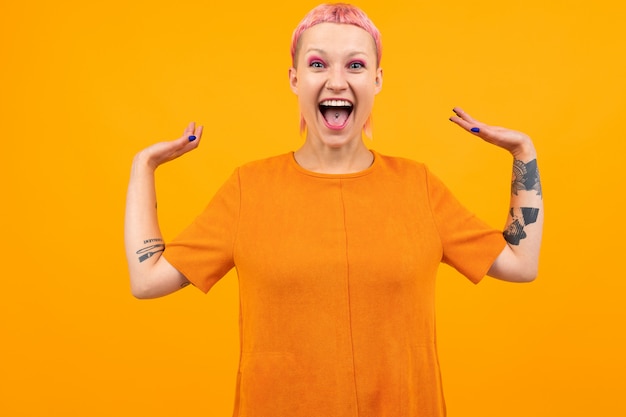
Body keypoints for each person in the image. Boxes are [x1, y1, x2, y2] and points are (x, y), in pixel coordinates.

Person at [124, 3, 543, 416]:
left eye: (356, 65)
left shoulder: (418, 186)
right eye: (318, 64)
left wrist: (524, 153)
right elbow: (147, 280)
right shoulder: (248, 189)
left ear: (377, 80)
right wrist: (144, 166)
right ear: (294, 78)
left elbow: (521, 264)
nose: (337, 82)